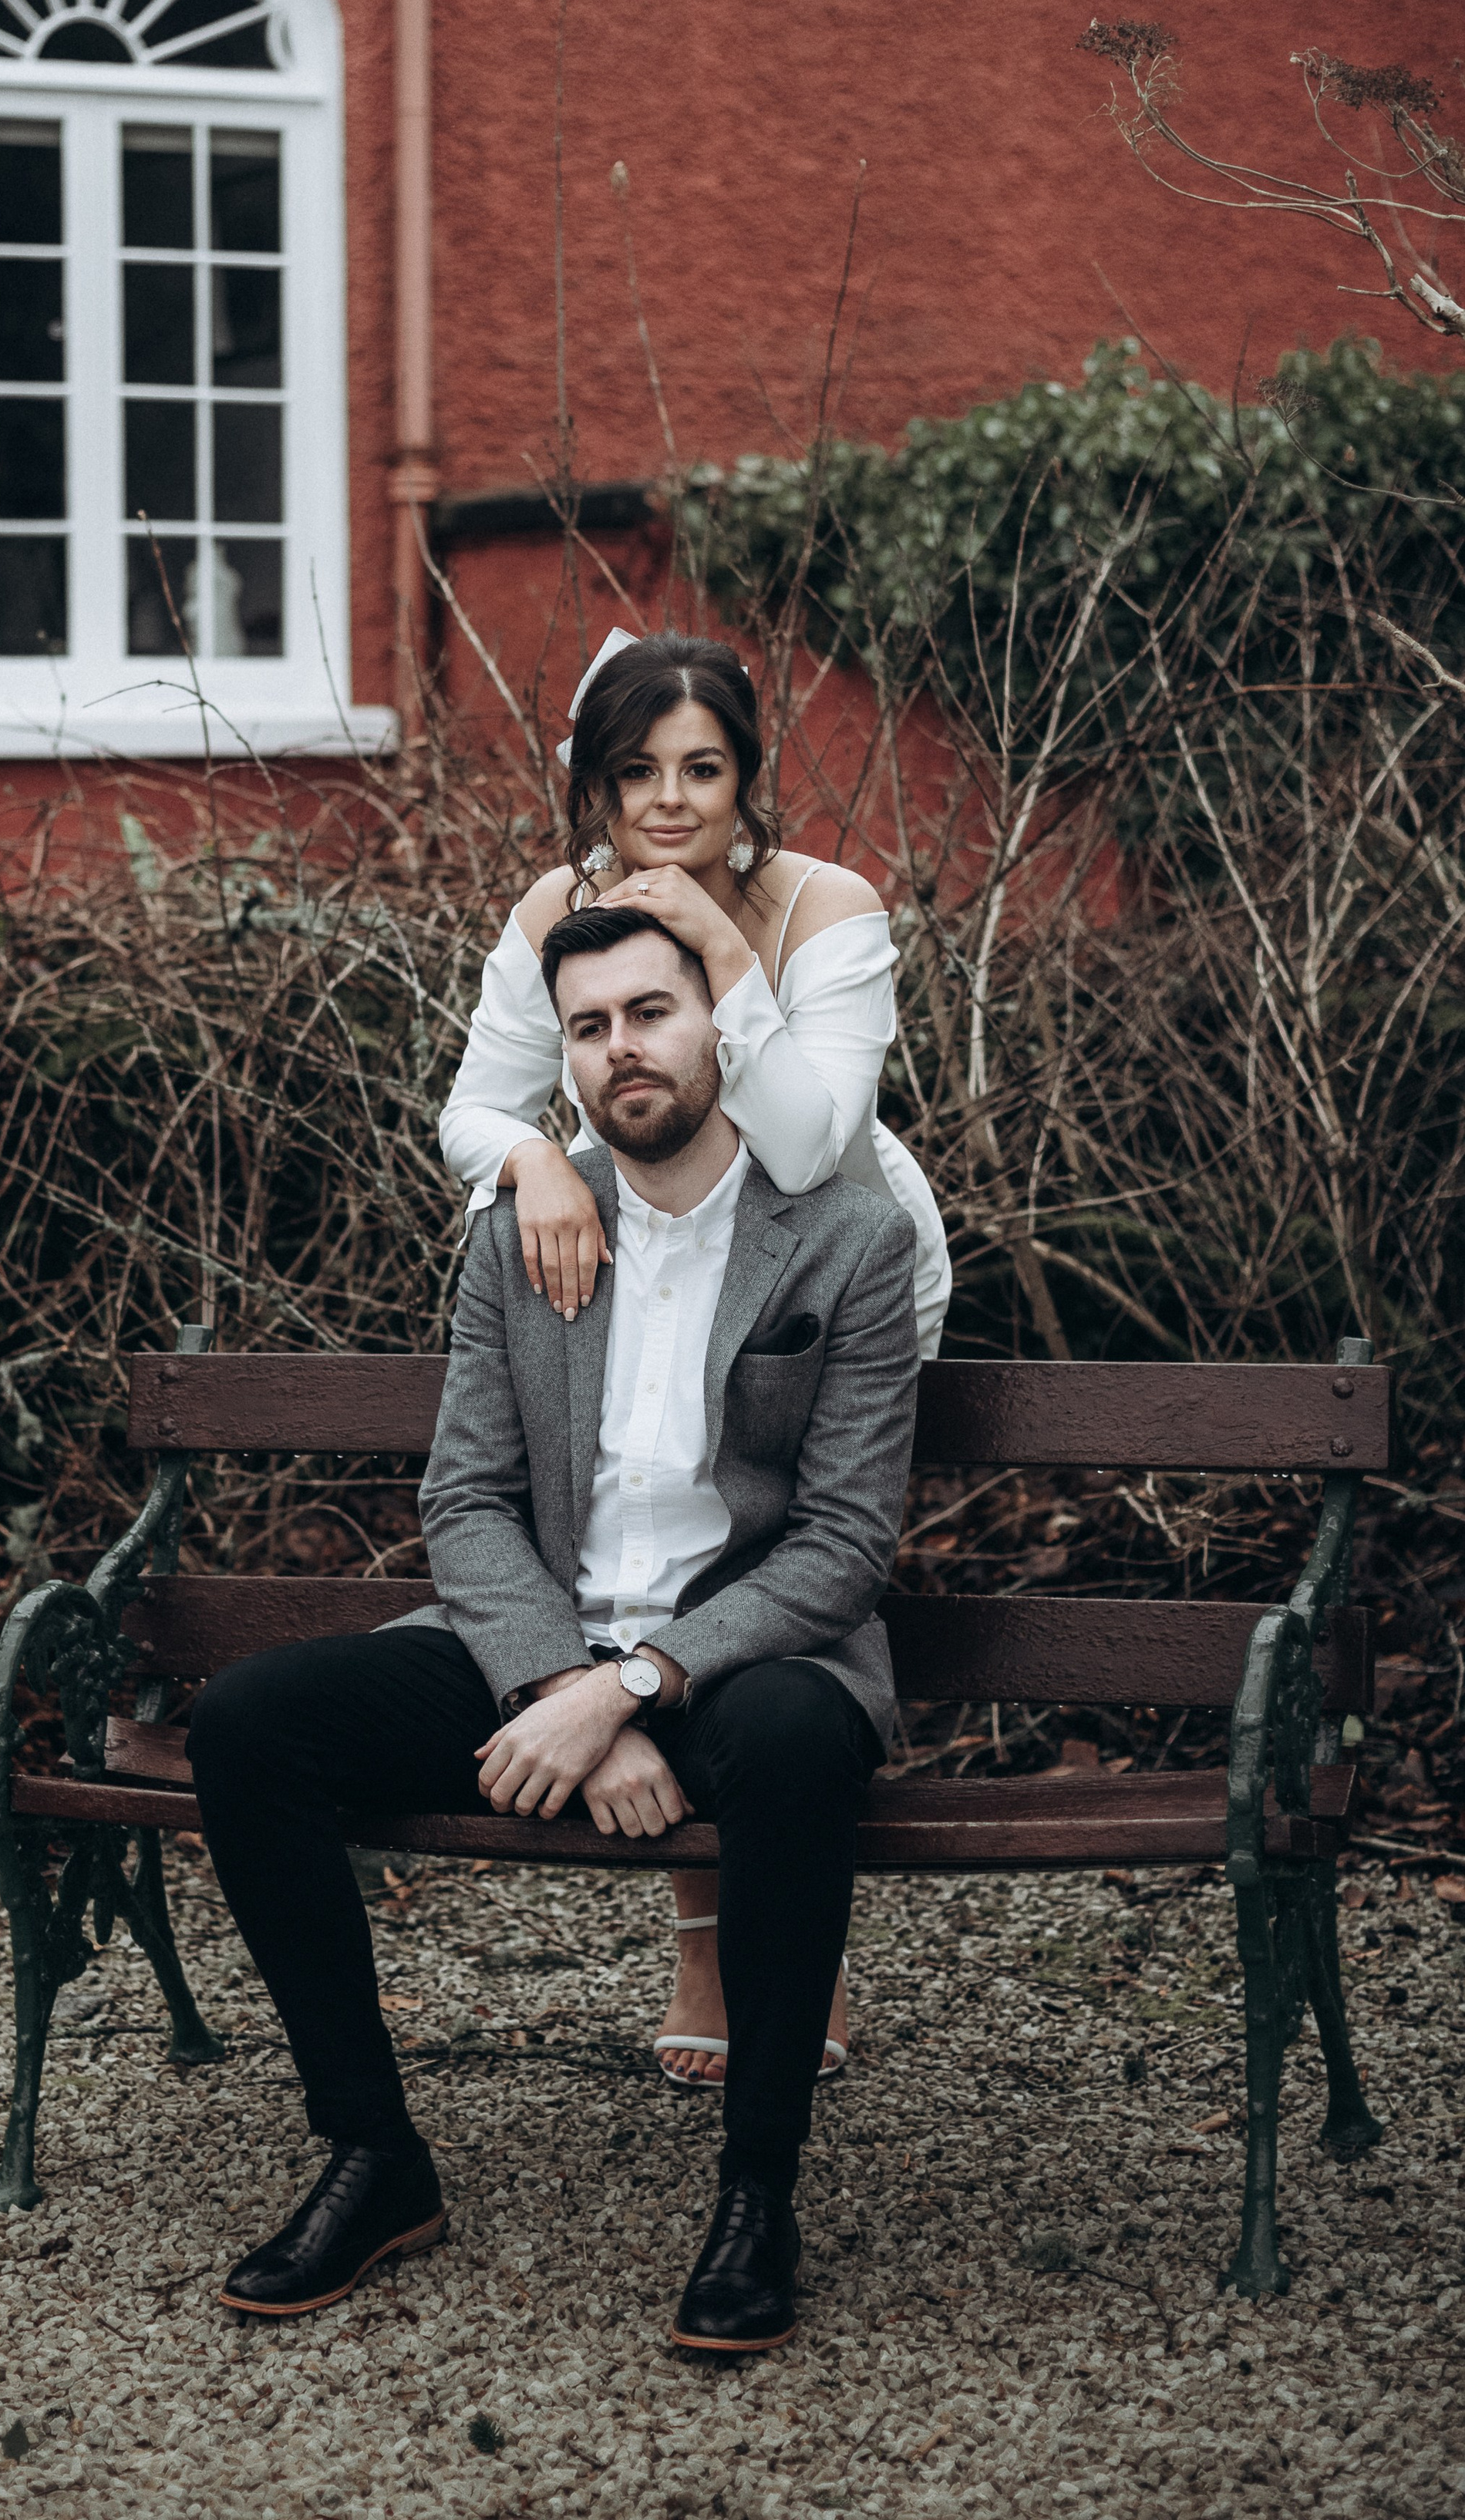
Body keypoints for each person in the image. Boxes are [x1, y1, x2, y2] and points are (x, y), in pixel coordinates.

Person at [187, 900, 921, 2352]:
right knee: (249, 1723)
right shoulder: (523, 1232)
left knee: (788, 1744)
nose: (621, 1051)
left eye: (650, 1012)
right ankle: (374, 2155)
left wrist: (635, 1686)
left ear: (720, 1015)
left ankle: (756, 2193)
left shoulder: (847, 1235)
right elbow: (463, 1503)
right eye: (587, 1028)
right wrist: (562, 1686)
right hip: (534, 1646)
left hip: (750, 1656)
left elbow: (846, 1543)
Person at [439, 627, 949, 2088]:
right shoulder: (560, 906)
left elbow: (810, 1143)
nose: (670, 802)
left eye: (703, 769)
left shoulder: (824, 904)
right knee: (646, 1533)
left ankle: (783, 1931)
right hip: (630, 1230)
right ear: (595, 788)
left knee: (758, 1536)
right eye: (636, 772)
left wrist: (722, 942)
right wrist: (538, 1161)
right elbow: (471, 1106)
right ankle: (705, 1939)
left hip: (824, 1263)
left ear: (747, 782)